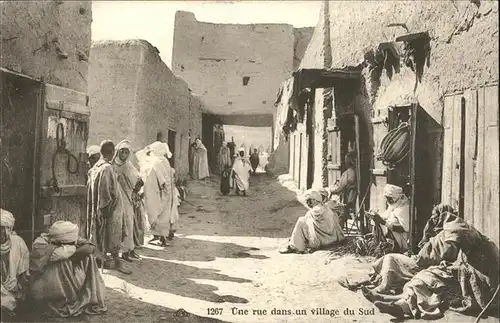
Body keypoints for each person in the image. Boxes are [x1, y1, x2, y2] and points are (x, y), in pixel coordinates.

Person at [359, 217, 499, 320]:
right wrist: (450, 266)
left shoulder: (487, 249)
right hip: (459, 277)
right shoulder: (468, 244)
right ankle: (394, 299)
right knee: (425, 276)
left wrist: (461, 273)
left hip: (471, 289)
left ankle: (401, 307)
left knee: (436, 290)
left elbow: (487, 281)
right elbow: (461, 263)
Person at [29, 221, 107, 317]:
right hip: (43, 284)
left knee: (88, 257)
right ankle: (62, 299)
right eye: (70, 243)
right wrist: (74, 251)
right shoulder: (40, 243)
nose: (73, 243)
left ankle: (82, 296)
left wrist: (74, 251)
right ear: (60, 241)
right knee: (63, 262)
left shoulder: (67, 237)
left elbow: (90, 247)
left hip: (65, 279)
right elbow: (61, 254)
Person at [86, 140, 131, 274]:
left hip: (99, 207)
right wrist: (107, 208)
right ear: (112, 153)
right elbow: (106, 190)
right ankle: (116, 262)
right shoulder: (106, 168)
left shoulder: (95, 168)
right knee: (113, 235)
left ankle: (102, 258)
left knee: (102, 234)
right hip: (110, 208)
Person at [138, 141, 178, 246]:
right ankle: (160, 236)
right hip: (163, 191)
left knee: (156, 213)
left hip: (157, 191)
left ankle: (161, 237)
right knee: (162, 214)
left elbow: (162, 179)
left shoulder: (157, 161)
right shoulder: (162, 160)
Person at [280, 189, 344, 254]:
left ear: (315, 200)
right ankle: (295, 242)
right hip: (331, 238)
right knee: (305, 221)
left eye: (310, 201)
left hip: (321, 240)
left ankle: (296, 247)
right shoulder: (326, 208)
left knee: (301, 221)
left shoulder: (315, 210)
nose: (309, 204)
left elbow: (306, 222)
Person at [113, 140, 144, 262]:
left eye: (126, 152)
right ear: (117, 152)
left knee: (129, 224)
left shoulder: (129, 165)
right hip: (116, 199)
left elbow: (139, 181)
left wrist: (136, 192)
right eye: (122, 151)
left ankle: (129, 250)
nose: (124, 154)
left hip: (127, 198)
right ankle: (121, 252)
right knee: (119, 225)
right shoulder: (112, 165)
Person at [1, 209, 29, 317]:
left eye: (2, 228)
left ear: (8, 229)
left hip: (14, 290)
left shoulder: (18, 243)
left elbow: (24, 273)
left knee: (9, 301)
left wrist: (20, 289)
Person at [367, 184, 410, 252]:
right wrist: (374, 215)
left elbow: (405, 229)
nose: (388, 201)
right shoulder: (395, 205)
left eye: (390, 199)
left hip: (402, 239)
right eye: (387, 198)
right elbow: (385, 215)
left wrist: (384, 223)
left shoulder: (403, 209)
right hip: (392, 236)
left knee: (392, 221)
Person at [327, 151, 357, 228]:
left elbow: (339, 188)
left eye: (346, 160)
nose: (345, 162)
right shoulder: (355, 172)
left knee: (329, 205)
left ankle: (337, 228)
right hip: (352, 198)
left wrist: (331, 189)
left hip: (346, 200)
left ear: (349, 161)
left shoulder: (347, 173)